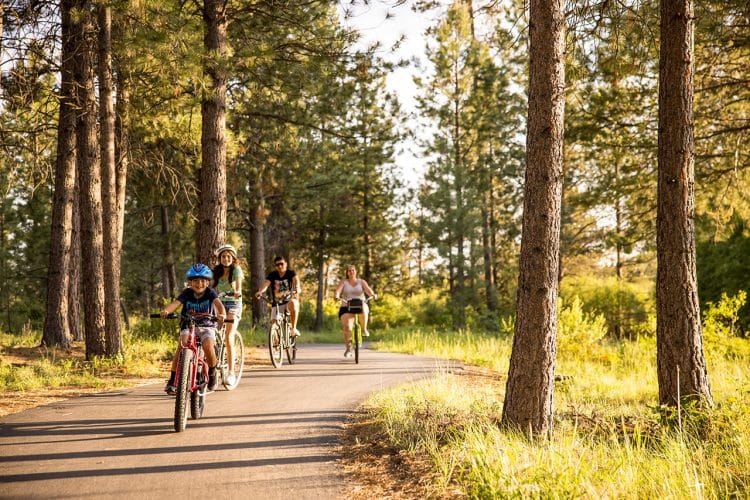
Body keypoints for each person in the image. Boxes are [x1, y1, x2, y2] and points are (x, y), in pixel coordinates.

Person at [162, 263, 225, 395]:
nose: (199, 283)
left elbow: (219, 305)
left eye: (203, 280)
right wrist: (166, 311)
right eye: (195, 280)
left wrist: (222, 314)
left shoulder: (210, 293)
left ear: (207, 282)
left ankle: (213, 372)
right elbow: (176, 303)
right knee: (182, 346)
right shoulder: (187, 293)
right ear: (190, 282)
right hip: (188, 325)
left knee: (208, 345)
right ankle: (173, 380)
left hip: (207, 325)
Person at [212, 244, 243, 386]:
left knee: (229, 336)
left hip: (233, 304)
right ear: (220, 258)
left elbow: (238, 287)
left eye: (228, 256)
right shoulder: (216, 271)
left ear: (233, 258)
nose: (226, 259)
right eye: (223, 256)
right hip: (219, 305)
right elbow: (210, 286)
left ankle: (231, 373)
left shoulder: (236, 270)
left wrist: (236, 291)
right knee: (211, 333)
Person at [334, 264, 376, 358]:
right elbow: (338, 290)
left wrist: (373, 294)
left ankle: (364, 329)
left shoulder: (361, 282)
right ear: (347, 273)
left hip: (360, 304)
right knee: (347, 327)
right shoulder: (344, 282)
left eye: (353, 270)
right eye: (349, 270)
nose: (351, 272)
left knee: (364, 307)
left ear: (356, 271)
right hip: (346, 306)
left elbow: (368, 290)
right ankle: (348, 349)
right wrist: (337, 295)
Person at [254, 255, 301, 337]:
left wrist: (297, 288)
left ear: (285, 264)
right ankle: (276, 346)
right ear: (275, 266)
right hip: (277, 304)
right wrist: (260, 291)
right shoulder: (272, 275)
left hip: (288, 302)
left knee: (294, 303)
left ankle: (293, 328)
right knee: (273, 326)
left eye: (281, 264)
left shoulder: (291, 273)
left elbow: (296, 281)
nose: (280, 266)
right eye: (277, 265)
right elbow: (266, 283)